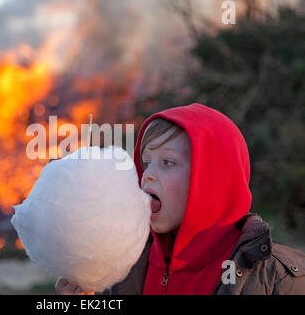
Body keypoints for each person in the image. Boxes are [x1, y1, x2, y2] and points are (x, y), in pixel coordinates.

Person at [56, 102, 305, 295]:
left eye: (167, 162)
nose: (147, 175)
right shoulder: (121, 269)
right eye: (145, 163)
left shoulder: (279, 280)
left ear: (211, 177)